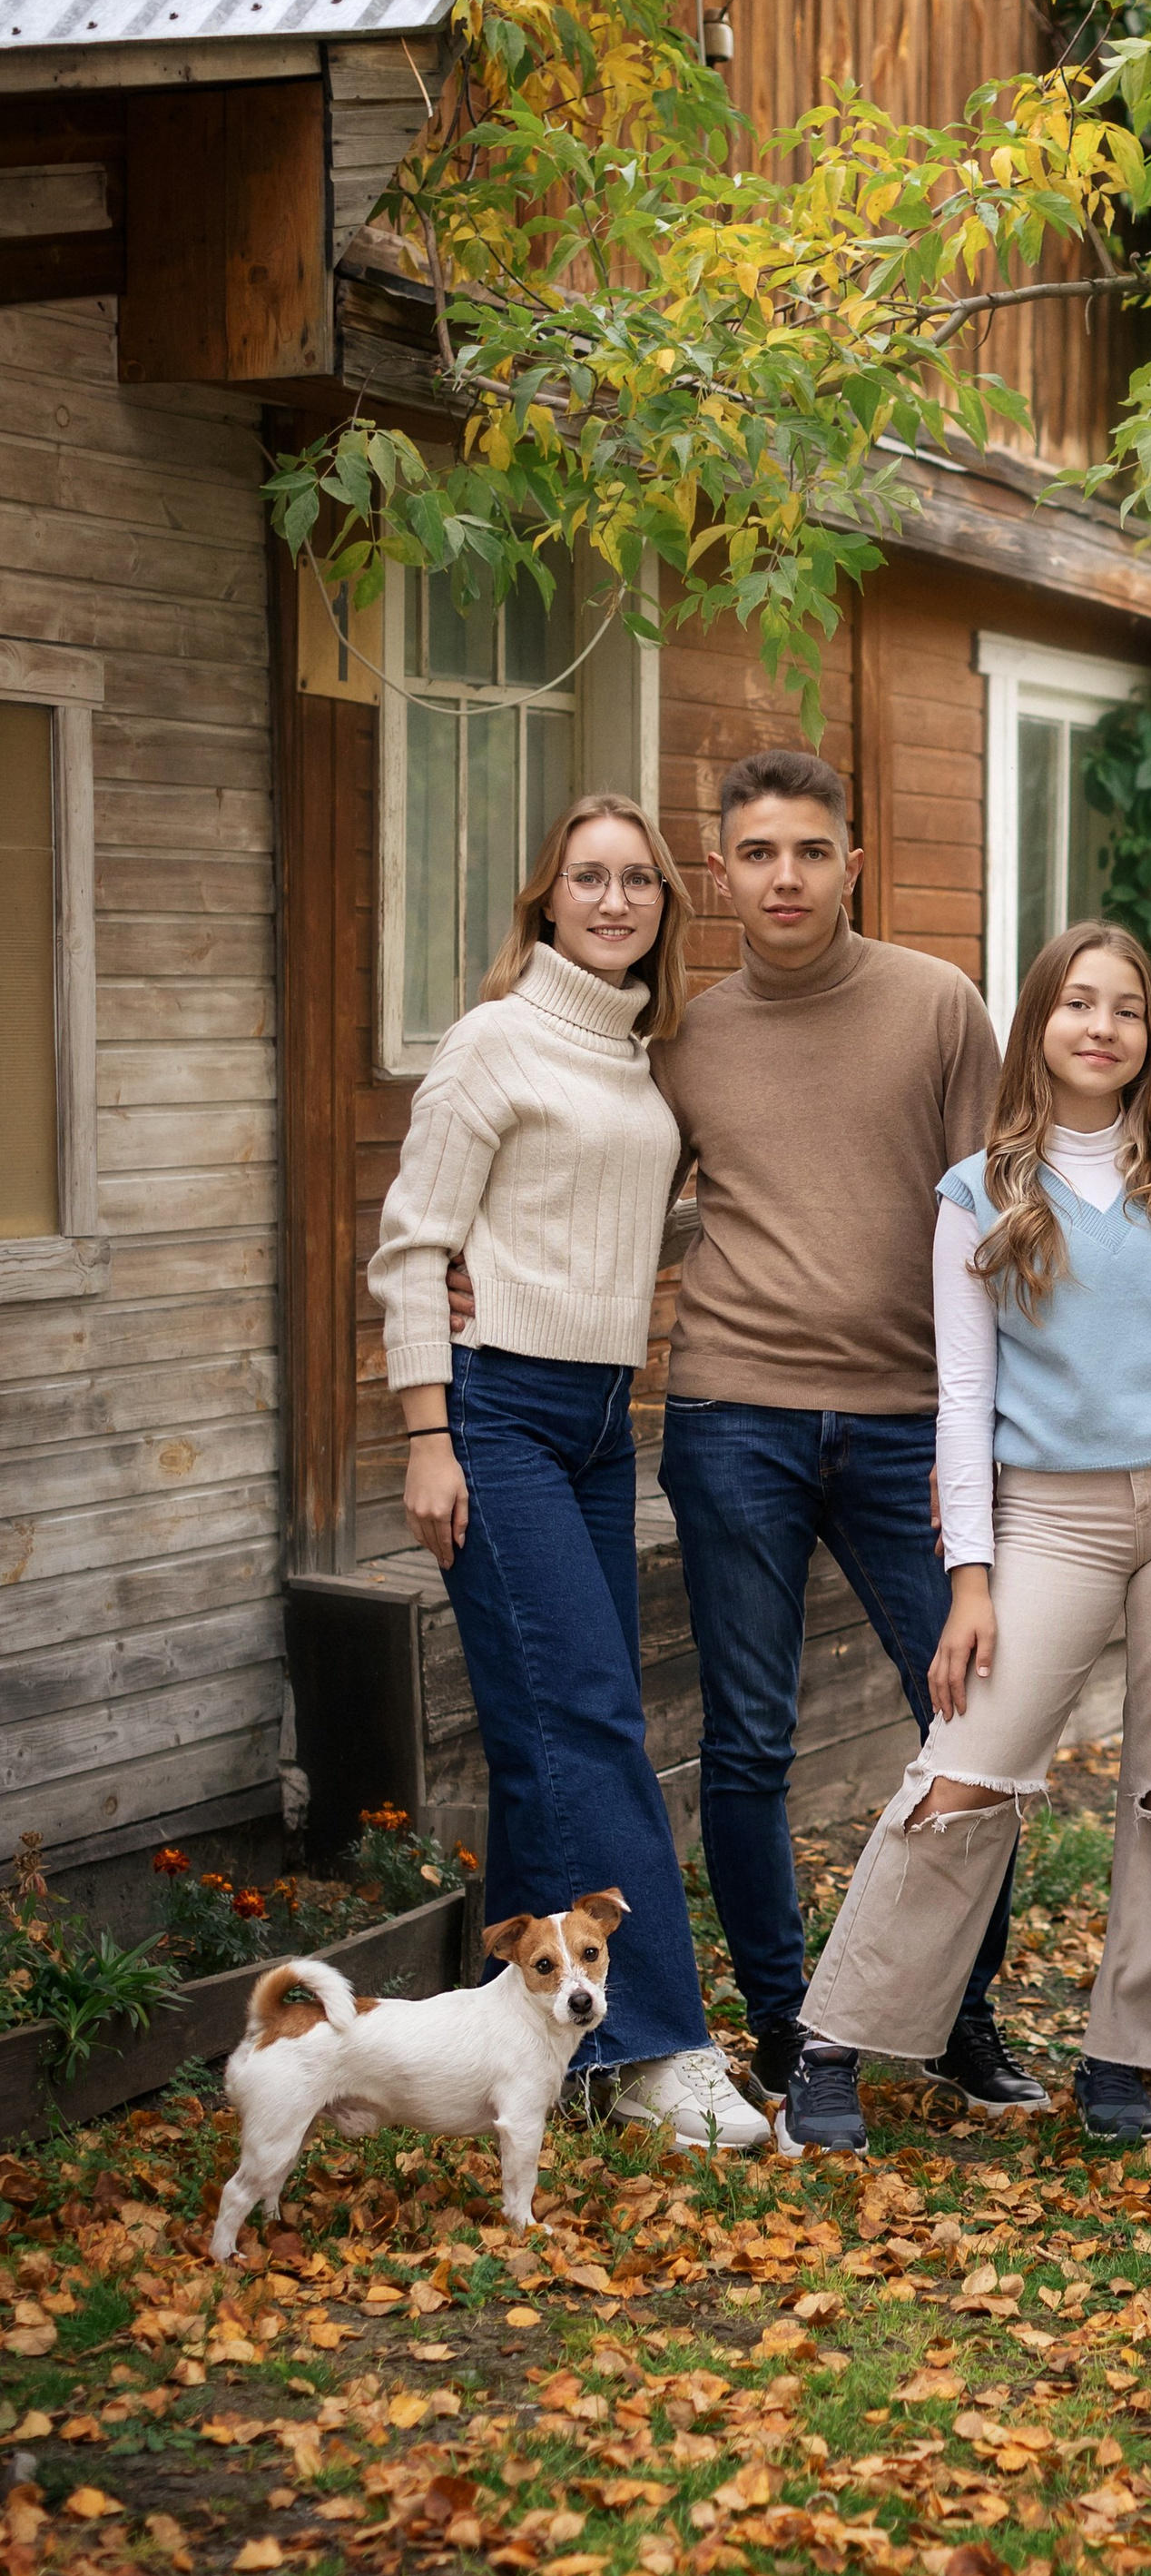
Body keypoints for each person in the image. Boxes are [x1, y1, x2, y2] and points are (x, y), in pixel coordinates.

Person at [790, 923, 1151, 2149]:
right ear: (1040, 1023)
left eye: (1126, 1006)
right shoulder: (982, 1193)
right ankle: (832, 2042)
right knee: (966, 1766)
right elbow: (960, 1395)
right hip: (1047, 1514)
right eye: (1078, 1002)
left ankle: (1124, 2055)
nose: (1102, 1024)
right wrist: (970, 1575)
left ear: (1148, 1039)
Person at [652, 746, 1042, 2134]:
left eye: (811, 849)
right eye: (757, 852)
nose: (785, 876)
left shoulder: (937, 1006)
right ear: (722, 872)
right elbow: (619, 1209)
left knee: (973, 1724)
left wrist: (1000, 1428)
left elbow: (998, 1214)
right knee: (749, 1740)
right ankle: (779, 2020)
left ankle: (949, 2014)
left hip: (905, 1422)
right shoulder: (685, 1035)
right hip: (732, 1413)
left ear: (852, 863)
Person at [369, 793, 762, 2152]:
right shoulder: (493, 1041)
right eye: (586, 878)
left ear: (663, 902)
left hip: (602, 1415)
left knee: (545, 1744)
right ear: (545, 899)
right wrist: (429, 1430)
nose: (613, 899)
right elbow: (414, 1245)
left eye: (637, 880)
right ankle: (662, 2045)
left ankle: (543, 2050)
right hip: (498, 1413)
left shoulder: (637, 1056)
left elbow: (606, 1227)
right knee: (595, 1715)